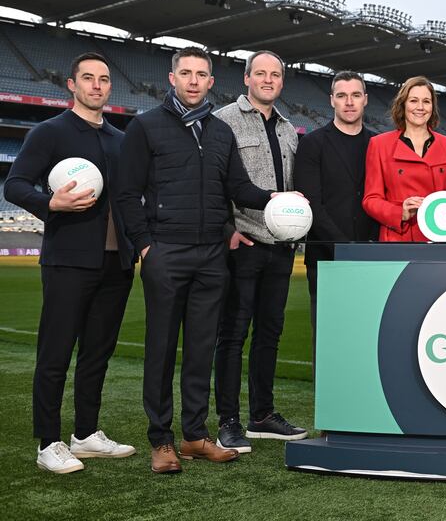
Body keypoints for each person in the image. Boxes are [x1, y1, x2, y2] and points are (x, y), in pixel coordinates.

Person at [117, 46, 278, 474]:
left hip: (211, 256)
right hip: (165, 252)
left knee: (201, 351)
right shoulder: (145, 126)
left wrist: (279, 200)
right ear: (172, 78)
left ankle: (193, 435)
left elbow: (240, 189)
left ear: (210, 82)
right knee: (162, 348)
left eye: (201, 74)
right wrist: (146, 245)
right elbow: (126, 192)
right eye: (185, 73)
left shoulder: (220, 131)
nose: (192, 80)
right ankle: (161, 440)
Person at [5, 53, 136, 474]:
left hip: (117, 263)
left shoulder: (121, 139)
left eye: (103, 79)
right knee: (55, 354)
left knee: (97, 354)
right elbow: (15, 185)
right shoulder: (49, 132)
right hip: (68, 261)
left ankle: (86, 434)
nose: (97, 86)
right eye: (88, 79)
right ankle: (48, 443)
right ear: (71, 85)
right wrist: (51, 203)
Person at [212, 50, 306, 455]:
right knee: (233, 335)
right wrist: (225, 229)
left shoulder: (288, 129)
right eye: (261, 73)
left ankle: (262, 415)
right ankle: (229, 421)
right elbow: (210, 181)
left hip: (281, 248)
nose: (268, 80)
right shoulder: (222, 121)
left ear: (282, 82)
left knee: (270, 333)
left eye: (276, 75)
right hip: (243, 245)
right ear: (246, 78)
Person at [294, 70, 378, 362]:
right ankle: (330, 406)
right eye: (342, 96)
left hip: (373, 258)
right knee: (330, 343)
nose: (349, 102)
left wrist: (364, 251)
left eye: (356, 95)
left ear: (365, 99)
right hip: (327, 260)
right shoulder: (312, 144)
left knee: (371, 338)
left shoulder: (379, 144)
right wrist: (345, 249)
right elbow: (312, 205)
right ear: (332, 100)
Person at [363, 76, 446, 241]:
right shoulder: (379, 144)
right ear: (403, 104)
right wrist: (399, 212)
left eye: (426, 101)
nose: (420, 107)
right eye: (413, 101)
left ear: (432, 107)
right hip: (398, 238)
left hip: (439, 238)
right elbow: (371, 199)